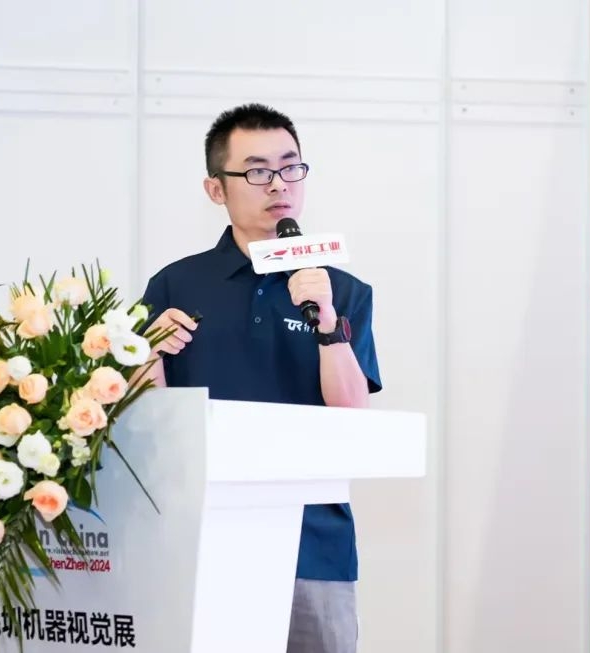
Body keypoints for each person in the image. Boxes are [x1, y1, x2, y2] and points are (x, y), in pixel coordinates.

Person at [136, 103, 382, 653]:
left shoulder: (342, 290)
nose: (278, 184)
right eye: (256, 171)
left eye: (290, 167)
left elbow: (352, 419)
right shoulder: (175, 285)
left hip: (313, 543)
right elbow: (149, 423)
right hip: (198, 539)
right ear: (215, 189)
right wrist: (147, 355)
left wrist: (328, 325)